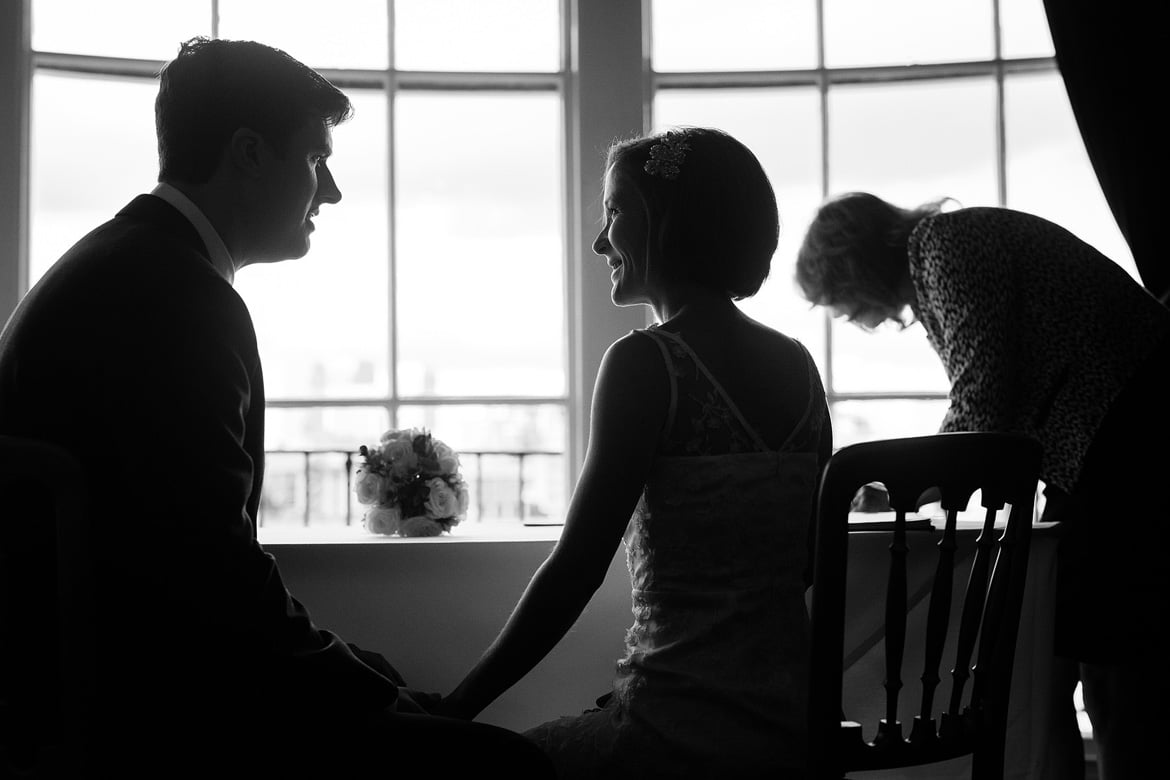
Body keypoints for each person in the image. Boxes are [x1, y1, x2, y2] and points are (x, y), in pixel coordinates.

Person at [0, 36, 553, 778]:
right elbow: (211, 578)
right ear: (250, 153)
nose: (330, 191)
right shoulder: (179, 299)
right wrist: (360, 688)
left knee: (386, 676)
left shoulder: (124, 265)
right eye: (316, 159)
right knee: (510, 765)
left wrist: (357, 672)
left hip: (83, 682)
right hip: (154, 714)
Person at [437, 127, 833, 779]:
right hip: (789, 734)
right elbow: (808, 559)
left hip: (673, 737)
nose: (600, 240)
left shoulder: (646, 362)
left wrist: (457, 707)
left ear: (662, 221)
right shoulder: (796, 364)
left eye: (615, 212)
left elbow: (576, 570)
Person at [794, 191, 1170, 780]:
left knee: (1109, 675)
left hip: (1129, 443)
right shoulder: (941, 257)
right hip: (1106, 449)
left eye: (838, 301)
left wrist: (901, 493)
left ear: (851, 265)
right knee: (1076, 669)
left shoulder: (944, 248)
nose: (847, 318)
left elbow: (983, 395)